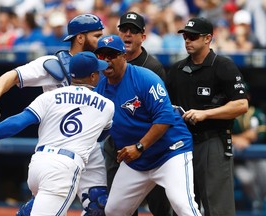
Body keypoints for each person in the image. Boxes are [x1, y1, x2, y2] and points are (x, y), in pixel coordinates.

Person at [0, 14, 109, 216]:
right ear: (80, 38)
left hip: (87, 148)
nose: (100, 40)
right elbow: (12, 75)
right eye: (96, 35)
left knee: (99, 206)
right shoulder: (53, 63)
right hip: (58, 148)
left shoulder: (100, 67)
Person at [94, 34, 202, 216]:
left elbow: (165, 118)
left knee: (183, 206)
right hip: (137, 161)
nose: (106, 60)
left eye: (111, 55)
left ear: (123, 56)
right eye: (102, 56)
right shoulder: (101, 87)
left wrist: (139, 146)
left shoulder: (144, 78)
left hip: (169, 152)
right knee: (113, 211)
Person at [165, 17, 249, 216]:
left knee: (218, 208)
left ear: (208, 38)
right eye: (185, 36)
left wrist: (206, 113)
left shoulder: (223, 65)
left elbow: (241, 104)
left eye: (193, 37)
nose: (187, 41)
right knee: (183, 205)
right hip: (182, 143)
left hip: (212, 140)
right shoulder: (177, 70)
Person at [103, 11, 171, 216]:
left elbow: (161, 115)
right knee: (119, 208)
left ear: (143, 36)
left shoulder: (152, 68)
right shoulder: (105, 64)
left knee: (160, 207)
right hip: (118, 147)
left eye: (134, 31)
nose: (128, 35)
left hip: (150, 149)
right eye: (124, 29)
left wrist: (142, 146)